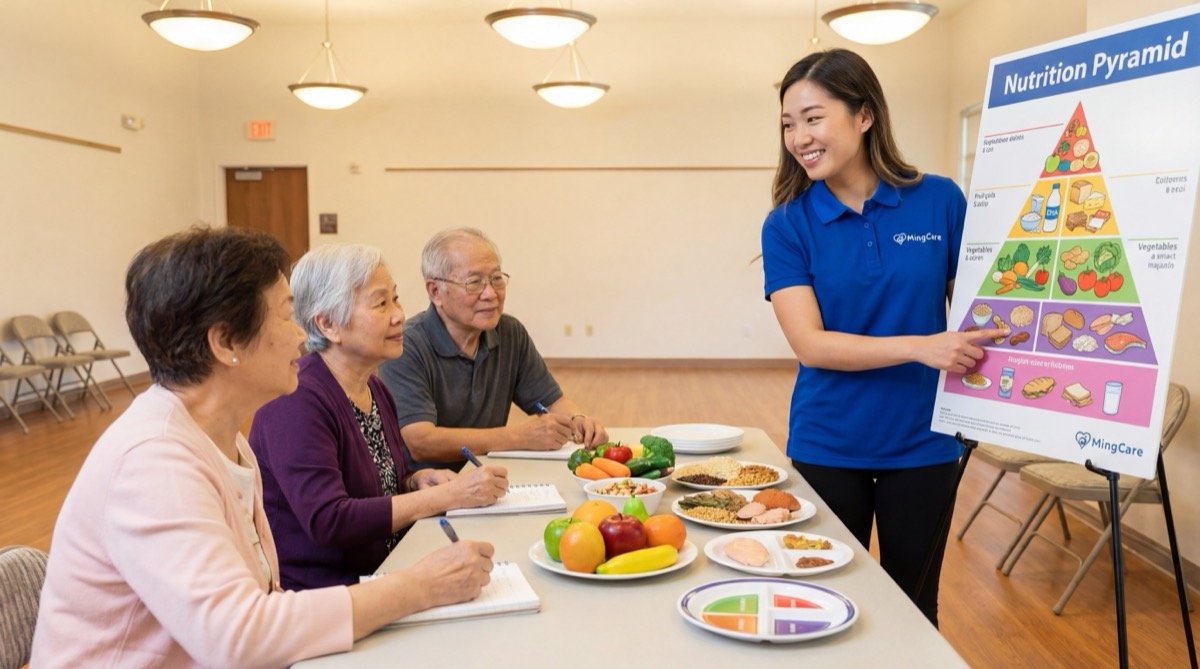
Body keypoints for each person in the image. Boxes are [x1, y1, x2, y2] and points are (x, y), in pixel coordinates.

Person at [31, 227, 494, 667]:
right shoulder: (153, 462)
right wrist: (417, 587)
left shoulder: (220, 436)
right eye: (286, 316)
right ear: (225, 341)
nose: (301, 335)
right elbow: (238, 636)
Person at [759, 49, 1006, 626]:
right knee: (820, 608)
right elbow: (811, 344)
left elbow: (981, 312)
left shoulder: (940, 200)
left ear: (864, 115)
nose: (799, 137)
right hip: (827, 444)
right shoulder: (787, 223)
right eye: (789, 125)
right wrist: (922, 345)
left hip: (925, 445)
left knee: (915, 611)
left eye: (813, 118)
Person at [249, 244, 509, 591]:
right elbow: (329, 520)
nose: (399, 315)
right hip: (326, 594)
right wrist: (448, 496)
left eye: (395, 299)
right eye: (381, 303)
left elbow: (383, 484)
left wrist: (416, 481)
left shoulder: (373, 386)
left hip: (387, 569)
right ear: (328, 324)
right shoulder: (296, 399)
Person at [380, 227, 607, 468]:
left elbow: (552, 402)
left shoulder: (509, 332)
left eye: (496, 278)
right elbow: (420, 441)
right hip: (428, 486)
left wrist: (577, 419)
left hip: (488, 476)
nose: (490, 294)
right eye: (474, 283)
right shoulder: (406, 345)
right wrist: (518, 436)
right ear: (435, 291)